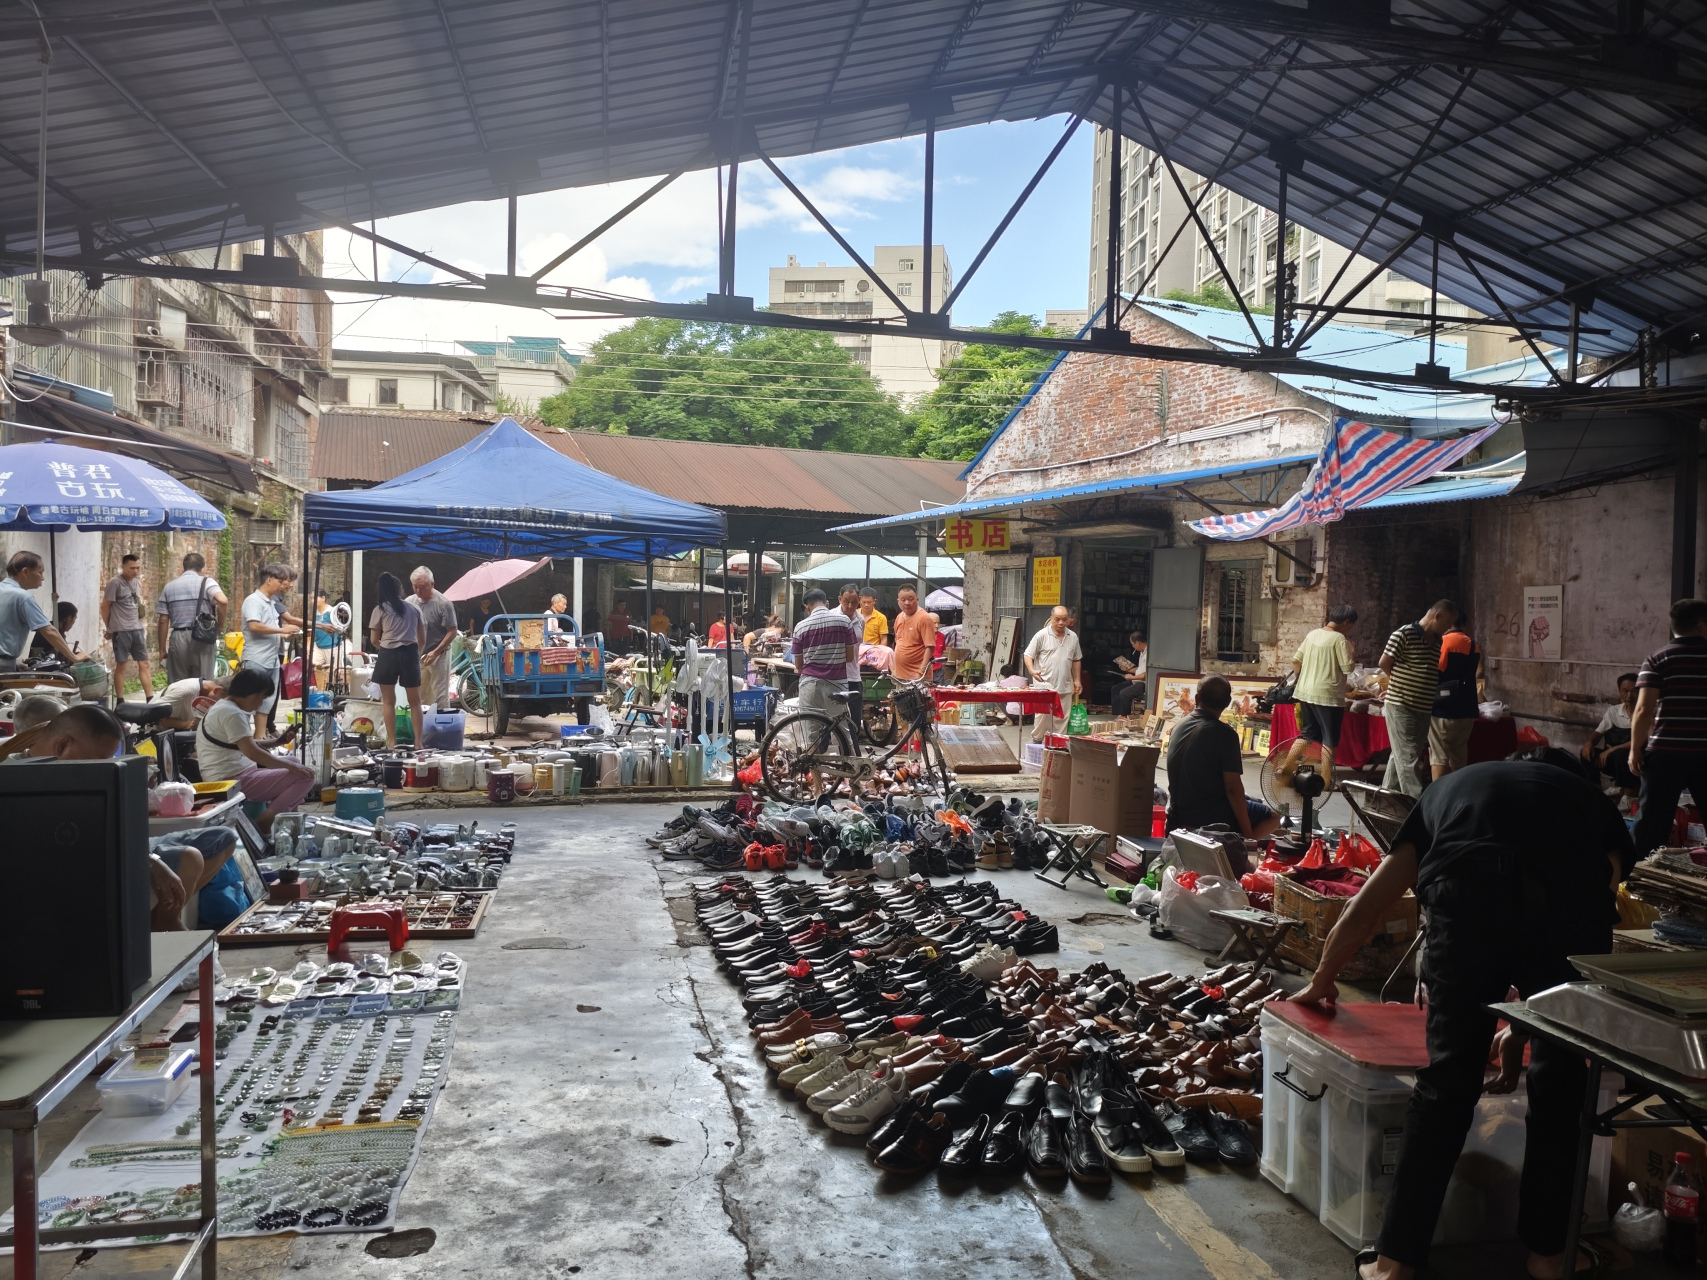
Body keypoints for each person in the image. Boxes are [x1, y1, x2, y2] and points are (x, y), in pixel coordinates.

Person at [1292, 749, 1633, 1280]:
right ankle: (1549, 1255)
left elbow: (1375, 896)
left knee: (1448, 1080)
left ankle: (1395, 1261)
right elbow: (1589, 909)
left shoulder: (1453, 789)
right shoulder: (1589, 803)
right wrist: (1528, 1027)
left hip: (1467, 892)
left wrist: (1324, 976)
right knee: (1561, 1079)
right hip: (1571, 905)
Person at [195, 667, 316, 836]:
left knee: (294, 763)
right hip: (229, 779)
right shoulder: (232, 713)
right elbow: (252, 752)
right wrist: (290, 768)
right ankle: (266, 821)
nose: (261, 703)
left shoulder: (225, 706)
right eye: (262, 698)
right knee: (305, 775)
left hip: (238, 772)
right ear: (252, 694)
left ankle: (289, 822)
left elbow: (243, 743)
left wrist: (277, 742)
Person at [1631, 597, 1707, 855]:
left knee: (1652, 824)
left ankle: (1638, 881)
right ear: (1700, 625)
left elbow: (1643, 709)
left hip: (1665, 754)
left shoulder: (1657, 659)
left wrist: (1635, 750)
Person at [1164, 675, 1282, 840]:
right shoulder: (1225, 734)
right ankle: (1243, 847)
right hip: (1209, 816)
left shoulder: (1179, 725)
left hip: (1177, 812)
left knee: (1251, 800)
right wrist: (1248, 834)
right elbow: (1233, 789)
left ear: (1197, 699)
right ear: (1227, 703)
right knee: (1273, 817)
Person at [1378, 599, 1459, 797]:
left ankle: (1384, 800)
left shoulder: (1438, 640)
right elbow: (1384, 662)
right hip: (1400, 704)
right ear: (1437, 616)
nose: (1448, 628)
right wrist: (1401, 684)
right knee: (1409, 757)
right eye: (1447, 623)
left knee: (1401, 756)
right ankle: (1416, 805)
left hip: (1424, 706)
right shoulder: (1403, 634)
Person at [1276, 605, 1359, 790]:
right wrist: (1351, 651)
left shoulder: (1312, 634)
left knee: (1308, 733)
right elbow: (1348, 669)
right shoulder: (1340, 639)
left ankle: (1285, 768)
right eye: (1351, 625)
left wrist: (1302, 679)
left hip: (1305, 692)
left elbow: (1296, 660)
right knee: (1330, 739)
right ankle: (1327, 782)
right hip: (1328, 696)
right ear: (1346, 622)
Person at [240, 564, 303, 736]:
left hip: (272, 658)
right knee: (248, 702)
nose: (285, 585)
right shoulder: (253, 600)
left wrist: (284, 635)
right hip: (256, 659)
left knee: (266, 702)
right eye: (281, 581)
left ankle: (260, 739)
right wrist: (281, 630)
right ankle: (242, 739)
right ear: (269, 581)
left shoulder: (271, 602)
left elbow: (270, 628)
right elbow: (254, 625)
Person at [148, 826, 243, 931]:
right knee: (191, 857)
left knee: (227, 838)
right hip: (130, 848)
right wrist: (153, 862)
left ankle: (157, 919)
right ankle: (168, 921)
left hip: (141, 841)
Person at [369, 571, 426, 749]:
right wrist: (415, 654)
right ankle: (418, 742)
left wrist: (384, 648)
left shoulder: (380, 610)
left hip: (387, 654)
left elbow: (373, 640)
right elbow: (422, 639)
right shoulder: (414, 609)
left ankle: (392, 742)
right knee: (415, 702)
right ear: (400, 589)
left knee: (388, 701)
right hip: (409, 654)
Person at [788, 588, 859, 723]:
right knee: (842, 729)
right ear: (826, 604)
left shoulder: (800, 627)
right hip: (836, 684)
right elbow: (850, 658)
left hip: (809, 685)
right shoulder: (844, 622)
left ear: (807, 608)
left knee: (811, 731)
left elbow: (798, 665)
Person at [156, 551, 227, 683]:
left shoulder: (169, 587)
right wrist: (220, 625)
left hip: (178, 637)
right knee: (203, 684)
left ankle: (181, 705)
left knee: (178, 685)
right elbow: (222, 601)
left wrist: (161, 649)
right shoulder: (207, 583)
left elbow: (163, 620)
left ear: (184, 567)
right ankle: (198, 704)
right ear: (202, 568)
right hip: (203, 638)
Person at [0, 551, 77, 671]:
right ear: (25, 571)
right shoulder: (23, 597)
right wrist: (74, 657)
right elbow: (49, 631)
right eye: (40, 572)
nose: (42, 577)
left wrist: (13, 663)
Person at [1430, 618, 1483, 781]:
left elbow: (1436, 671)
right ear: (1464, 624)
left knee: (1439, 756)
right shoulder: (1474, 646)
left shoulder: (1444, 642)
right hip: (1467, 710)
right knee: (1459, 756)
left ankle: (1437, 799)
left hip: (1443, 709)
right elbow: (1479, 672)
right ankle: (1458, 794)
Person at [1023, 605, 1083, 741]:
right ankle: (1037, 741)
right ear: (1051, 618)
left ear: (1068, 620)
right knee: (1042, 717)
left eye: (1064, 619)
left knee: (1061, 718)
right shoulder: (1041, 635)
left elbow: (1076, 659)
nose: (1061, 623)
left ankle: (1058, 744)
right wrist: (1032, 670)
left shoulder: (1073, 637)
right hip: (1044, 686)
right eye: (1057, 619)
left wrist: (1077, 680)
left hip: (1064, 686)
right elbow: (1028, 654)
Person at [102, 553, 153, 700]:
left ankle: (150, 698)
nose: (135, 571)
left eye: (137, 568)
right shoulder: (115, 583)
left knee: (144, 663)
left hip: (137, 628)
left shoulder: (136, 582)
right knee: (122, 665)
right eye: (132, 568)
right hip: (121, 630)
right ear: (123, 567)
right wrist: (109, 628)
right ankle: (120, 699)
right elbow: (105, 607)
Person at [409, 566, 460, 709]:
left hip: (439, 653)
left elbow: (452, 631)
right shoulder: (410, 602)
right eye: (415, 587)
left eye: (422, 587)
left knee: (440, 694)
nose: (418, 591)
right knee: (420, 692)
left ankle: (443, 727)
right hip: (418, 654)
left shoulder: (444, 604)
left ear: (432, 584)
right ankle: (423, 727)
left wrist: (436, 652)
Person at [1582, 671, 1639, 796]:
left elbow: (1642, 740)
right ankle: (1596, 792)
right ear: (1619, 692)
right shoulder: (1613, 711)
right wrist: (1589, 742)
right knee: (1586, 753)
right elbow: (1598, 732)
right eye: (1625, 691)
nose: (1629, 695)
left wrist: (1611, 750)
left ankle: (1628, 795)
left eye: (1634, 691)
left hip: (1637, 762)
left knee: (1620, 754)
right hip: (1613, 761)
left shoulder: (1646, 713)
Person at [891, 587, 937, 682]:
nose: (907, 603)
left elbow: (930, 647)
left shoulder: (924, 618)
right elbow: (897, 640)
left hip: (917, 678)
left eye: (911, 599)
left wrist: (921, 672)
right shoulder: (899, 617)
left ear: (917, 599)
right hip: (899, 675)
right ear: (898, 601)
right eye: (903, 600)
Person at [836, 583, 865, 728]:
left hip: (854, 674)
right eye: (846, 601)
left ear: (859, 600)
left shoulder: (861, 620)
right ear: (840, 599)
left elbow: (858, 645)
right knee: (834, 718)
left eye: (854, 602)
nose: (850, 605)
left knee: (855, 720)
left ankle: (852, 748)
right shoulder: (831, 617)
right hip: (835, 675)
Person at [157, 675, 228, 731]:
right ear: (217, 690)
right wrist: (186, 724)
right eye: (224, 703)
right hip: (156, 734)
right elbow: (155, 714)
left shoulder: (205, 692)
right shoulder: (185, 693)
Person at [1111, 632, 1149, 719]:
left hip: (1144, 682)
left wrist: (1132, 677)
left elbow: (1147, 673)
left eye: (1133, 644)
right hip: (1137, 680)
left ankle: (1125, 715)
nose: (1133, 647)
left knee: (1124, 693)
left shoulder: (1149, 653)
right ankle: (1119, 714)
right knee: (1115, 689)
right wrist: (1128, 670)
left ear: (1138, 643)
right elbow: (1140, 669)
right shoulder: (1141, 652)